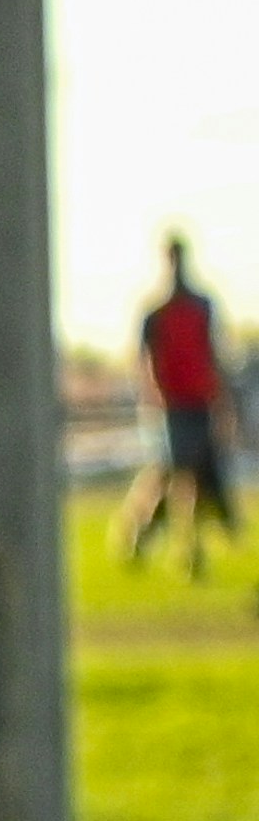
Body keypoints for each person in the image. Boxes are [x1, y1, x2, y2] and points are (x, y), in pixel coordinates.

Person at [129, 235, 232, 578]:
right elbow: (145, 358)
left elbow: (212, 353)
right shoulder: (158, 313)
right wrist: (153, 392)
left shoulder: (200, 307)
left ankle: (189, 550)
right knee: (172, 471)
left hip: (198, 399)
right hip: (172, 404)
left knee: (192, 475)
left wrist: (220, 396)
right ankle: (144, 534)